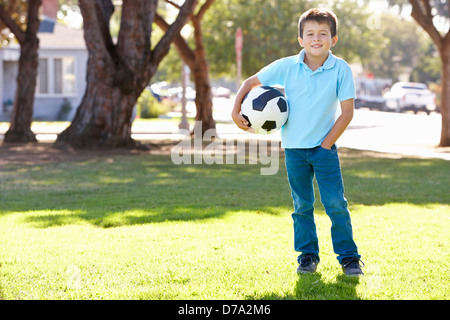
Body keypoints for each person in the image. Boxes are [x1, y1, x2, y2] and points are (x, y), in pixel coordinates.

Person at [232, 8, 364, 276]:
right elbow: (249, 82)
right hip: (294, 150)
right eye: (310, 34)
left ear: (333, 39)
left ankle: (349, 258)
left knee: (335, 203)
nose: (317, 39)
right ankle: (307, 256)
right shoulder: (286, 66)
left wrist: (326, 144)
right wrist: (235, 111)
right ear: (301, 39)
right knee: (302, 205)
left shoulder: (340, 68)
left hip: (324, 150)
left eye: (323, 34)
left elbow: (347, 113)